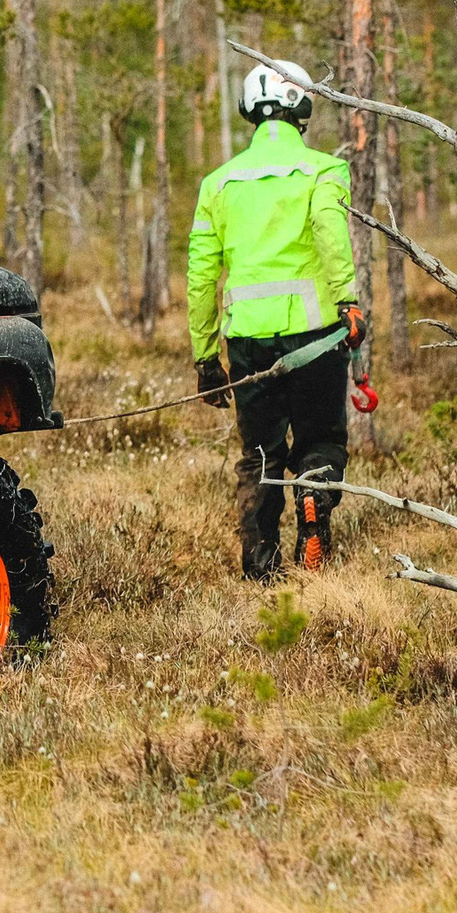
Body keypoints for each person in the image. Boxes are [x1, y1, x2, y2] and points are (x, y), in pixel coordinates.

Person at [188, 60, 366, 578]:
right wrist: (348, 302)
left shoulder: (217, 184)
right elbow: (332, 238)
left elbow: (201, 274)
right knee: (321, 440)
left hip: (247, 342)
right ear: (300, 108)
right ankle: (314, 502)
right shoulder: (324, 170)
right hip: (315, 336)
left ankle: (261, 567)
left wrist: (205, 356)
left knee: (260, 454)